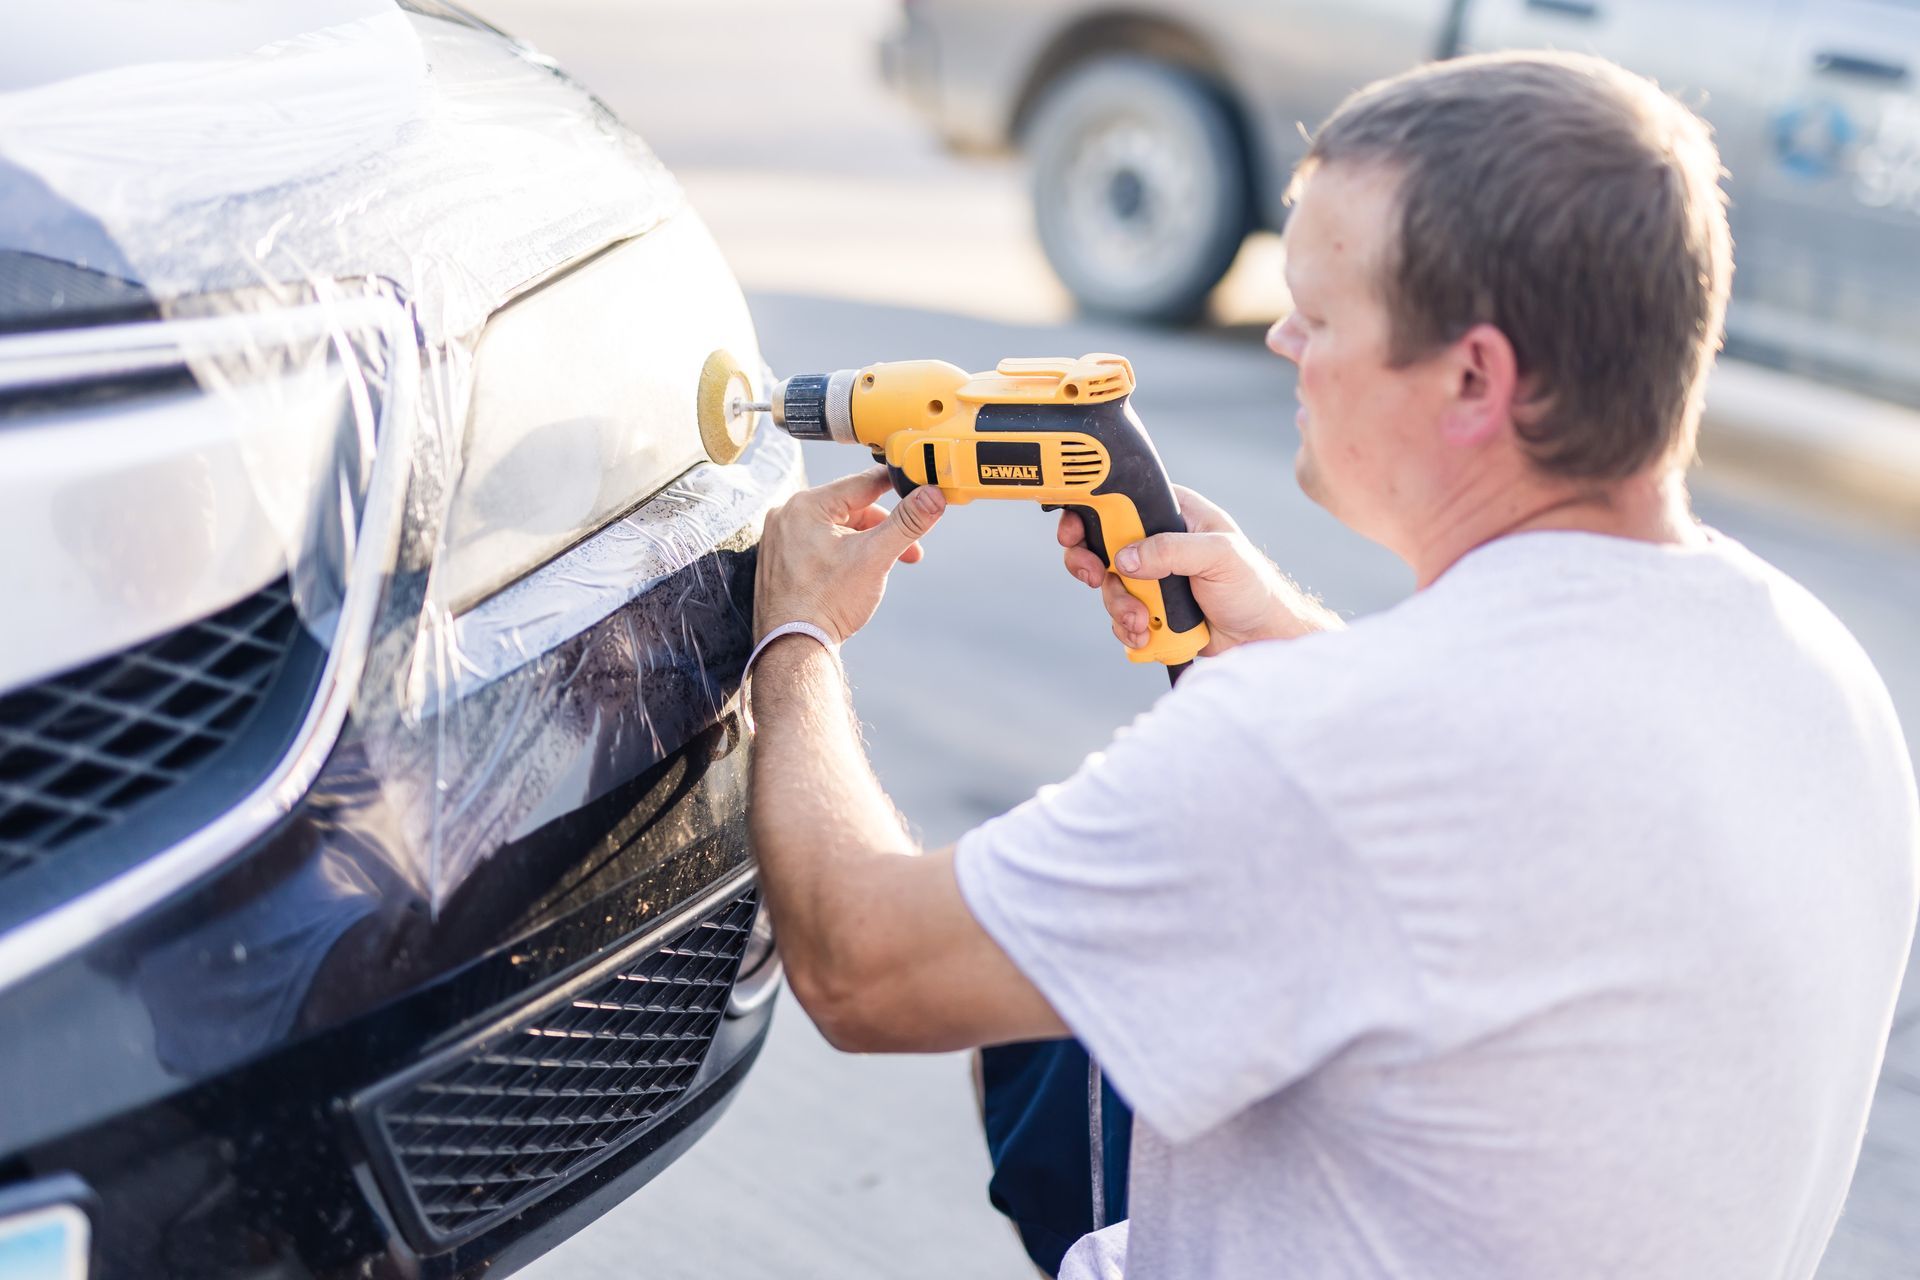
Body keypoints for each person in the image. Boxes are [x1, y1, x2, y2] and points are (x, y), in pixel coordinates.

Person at [743, 50, 1920, 1278]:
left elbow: (862, 967)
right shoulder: (1816, 667)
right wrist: (1297, 652)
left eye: (1320, 311)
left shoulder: (1323, 754)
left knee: (1048, 988)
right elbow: (1520, 809)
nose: (1281, 336)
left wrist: (798, 633)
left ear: (1475, 376)